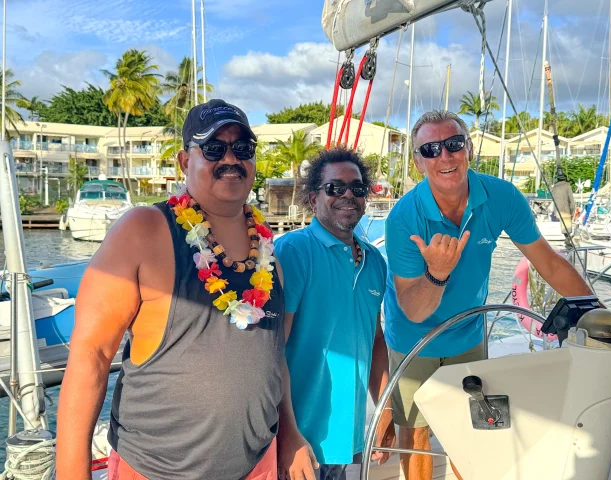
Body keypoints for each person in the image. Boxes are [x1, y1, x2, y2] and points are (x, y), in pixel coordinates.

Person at [57, 99, 285, 480]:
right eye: (214, 148)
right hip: (155, 470)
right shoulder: (143, 229)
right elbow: (91, 356)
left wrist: (289, 438)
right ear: (184, 162)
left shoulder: (267, 248)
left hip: (258, 464)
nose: (231, 158)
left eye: (243, 149)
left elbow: (277, 359)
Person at [383, 110, 595, 480]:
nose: (444, 157)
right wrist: (437, 273)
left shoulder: (501, 197)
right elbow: (413, 310)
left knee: (470, 427)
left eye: (453, 144)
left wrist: (599, 313)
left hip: (468, 331)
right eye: (430, 149)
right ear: (418, 162)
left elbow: (548, 261)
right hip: (413, 336)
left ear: (468, 149)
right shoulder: (404, 217)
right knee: (415, 431)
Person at [275, 148, 395, 480]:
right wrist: (287, 434)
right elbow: (273, 350)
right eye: (334, 188)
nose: (347, 195)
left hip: (349, 439)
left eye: (357, 188)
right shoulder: (294, 251)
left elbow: (374, 341)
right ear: (313, 199)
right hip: (300, 441)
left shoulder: (375, 262)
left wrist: (384, 409)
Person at [551, 169, 576, 248]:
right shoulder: (567, 185)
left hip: (558, 210)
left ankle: (567, 240)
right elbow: (571, 199)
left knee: (564, 226)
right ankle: (568, 241)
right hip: (566, 209)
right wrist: (572, 210)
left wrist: (555, 211)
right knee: (568, 227)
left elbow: (554, 200)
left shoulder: (554, 187)